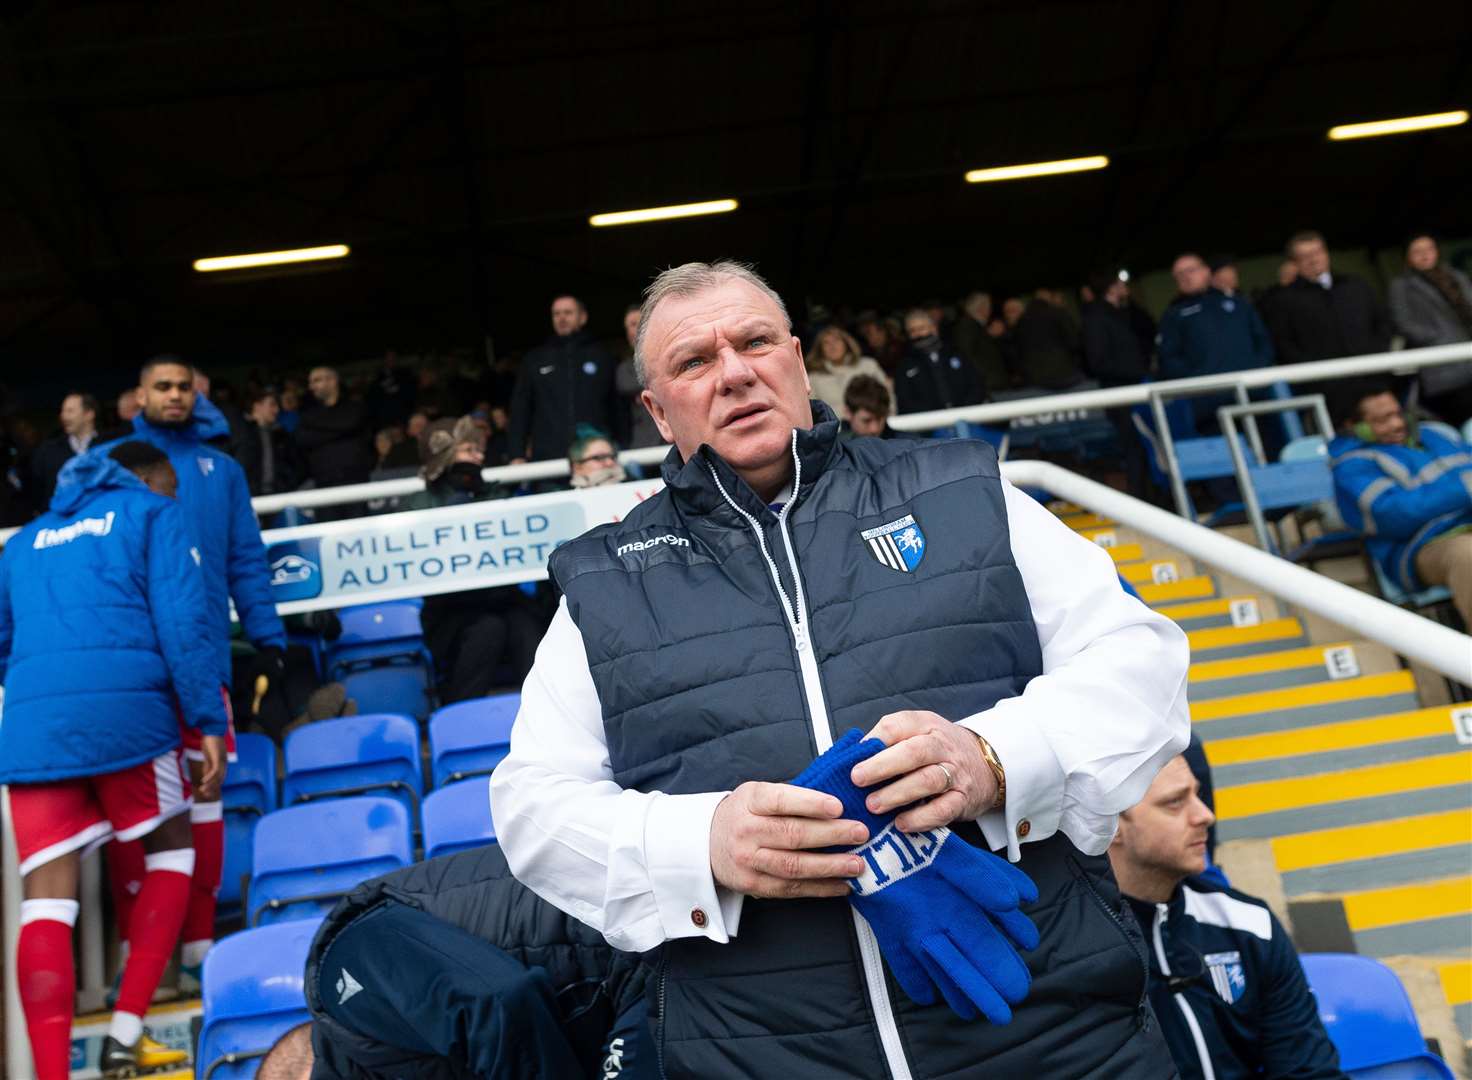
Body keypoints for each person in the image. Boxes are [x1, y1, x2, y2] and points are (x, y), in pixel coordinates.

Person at [492, 260, 1191, 1076]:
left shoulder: (965, 490)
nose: (735, 372)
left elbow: (1139, 659)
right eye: (694, 361)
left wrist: (997, 758)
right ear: (656, 409)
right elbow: (532, 806)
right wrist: (700, 843)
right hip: (761, 1056)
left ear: (795, 357)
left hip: (1058, 1037)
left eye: (754, 342)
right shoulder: (603, 583)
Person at [0, 442, 228, 1079]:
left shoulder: (22, 541)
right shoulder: (151, 514)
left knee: (43, 903)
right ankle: (123, 1037)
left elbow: (2, 645)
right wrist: (207, 719)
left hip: (31, 729)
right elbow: (183, 625)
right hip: (129, 722)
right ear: (145, 481)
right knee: (173, 847)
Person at [96, 356, 286, 991]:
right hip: (128, 671)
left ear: (195, 395)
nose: (174, 396)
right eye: (163, 387)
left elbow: (244, 557)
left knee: (206, 803)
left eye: (184, 387)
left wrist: (266, 635)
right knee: (136, 817)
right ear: (138, 396)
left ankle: (201, 948)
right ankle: (138, 957)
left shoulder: (222, 469)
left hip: (203, 665)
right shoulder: (107, 466)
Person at [271, 846, 655, 1080]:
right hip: (624, 976)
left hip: (633, 950)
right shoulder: (388, 1060)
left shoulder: (341, 972)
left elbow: (497, 1003)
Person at [1109, 755, 1348, 1079]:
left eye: (1198, 794)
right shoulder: (1076, 951)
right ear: (1111, 826)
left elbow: (1309, 1072)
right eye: (1175, 803)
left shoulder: (1250, 924)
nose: (1205, 815)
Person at [405, 417, 544, 702]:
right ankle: (462, 717)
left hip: (503, 599)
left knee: (526, 626)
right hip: (451, 611)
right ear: (444, 454)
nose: (479, 456)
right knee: (487, 630)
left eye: (480, 449)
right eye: (469, 449)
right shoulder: (419, 503)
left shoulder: (493, 492)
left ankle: (546, 713)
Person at [1329, 383, 1472, 625]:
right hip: (1423, 547)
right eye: (1382, 420)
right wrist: (1464, 489)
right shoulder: (1350, 467)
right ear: (1352, 426)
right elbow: (1395, 516)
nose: (1397, 424)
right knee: (1467, 555)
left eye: (1397, 414)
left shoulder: (1437, 434)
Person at [508, 294, 620, 462]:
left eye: (568, 313)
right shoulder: (535, 359)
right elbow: (520, 409)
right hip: (548, 457)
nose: (561, 318)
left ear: (582, 317)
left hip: (596, 455)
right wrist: (516, 453)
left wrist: (623, 444)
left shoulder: (602, 357)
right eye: (556, 314)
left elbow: (617, 407)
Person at [1267, 230, 1392, 366]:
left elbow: (1382, 323)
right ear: (1294, 263)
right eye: (1305, 256)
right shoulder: (1284, 300)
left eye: (1317, 252)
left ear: (1326, 253)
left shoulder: (1356, 285)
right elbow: (1284, 345)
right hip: (1323, 380)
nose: (1314, 260)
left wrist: (1378, 354)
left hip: (1373, 375)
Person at [1388, 233, 1472, 423]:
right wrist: (1437, 338)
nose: (1425, 255)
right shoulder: (1401, 285)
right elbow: (1403, 323)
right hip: (1442, 371)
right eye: (1417, 252)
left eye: (1428, 249)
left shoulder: (1456, 277)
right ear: (1408, 257)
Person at [1083, 271, 1153, 498]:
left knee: (1145, 448)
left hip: (1135, 390)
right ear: (1111, 286)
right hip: (1119, 394)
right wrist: (1136, 371)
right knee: (1135, 450)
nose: (1126, 285)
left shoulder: (1124, 312)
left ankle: (1152, 499)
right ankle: (1140, 503)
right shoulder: (1097, 317)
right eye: (1120, 281)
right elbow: (1098, 361)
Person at [1157, 253, 1276, 383]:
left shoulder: (1237, 303)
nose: (1186, 277)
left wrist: (1258, 367)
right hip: (1209, 394)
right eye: (1179, 274)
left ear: (1206, 271)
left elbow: (1263, 340)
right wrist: (1197, 378)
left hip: (1254, 386)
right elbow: (1168, 357)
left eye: (1190, 270)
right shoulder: (1174, 315)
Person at [294, 366, 375, 516]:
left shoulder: (354, 407)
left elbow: (351, 423)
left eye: (316, 381)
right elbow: (302, 439)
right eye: (310, 382)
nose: (311, 387)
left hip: (355, 484)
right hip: (324, 486)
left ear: (332, 381)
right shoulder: (308, 413)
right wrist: (342, 431)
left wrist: (318, 429)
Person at [893, 307, 985, 414]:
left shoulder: (956, 353)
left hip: (968, 416)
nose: (918, 334)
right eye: (912, 331)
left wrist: (964, 410)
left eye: (921, 328)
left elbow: (976, 385)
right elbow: (905, 401)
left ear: (934, 328)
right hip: (930, 424)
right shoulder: (905, 365)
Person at [29, 392, 99, 507]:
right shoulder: (48, 451)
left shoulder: (108, 445)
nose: (63, 416)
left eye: (70, 411)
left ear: (89, 414)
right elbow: (36, 488)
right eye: (63, 411)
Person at [804, 325, 889, 416]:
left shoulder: (868, 366)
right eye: (826, 343)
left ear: (846, 343)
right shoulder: (814, 378)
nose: (832, 346)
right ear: (821, 349)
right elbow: (811, 411)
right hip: (836, 428)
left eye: (836, 340)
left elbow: (887, 395)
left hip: (872, 425)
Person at [1013, 288, 1084, 390]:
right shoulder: (1058, 313)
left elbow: (1017, 350)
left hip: (1034, 379)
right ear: (1048, 296)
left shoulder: (1022, 321)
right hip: (1065, 376)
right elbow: (1074, 343)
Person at [236, 389, 303, 496]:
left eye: (277, 406)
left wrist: (286, 486)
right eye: (272, 405)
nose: (276, 410)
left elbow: (296, 466)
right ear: (257, 406)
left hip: (280, 497)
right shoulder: (240, 432)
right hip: (249, 499)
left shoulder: (282, 435)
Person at [616, 304, 665, 449]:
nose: (633, 331)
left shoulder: (671, 357)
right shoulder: (625, 367)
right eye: (629, 326)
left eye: (636, 323)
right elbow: (624, 385)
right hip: (643, 443)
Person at [953, 291, 1010, 395]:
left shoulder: (977, 327)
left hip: (992, 385)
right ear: (981, 308)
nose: (990, 310)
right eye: (988, 306)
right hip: (987, 387)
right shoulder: (967, 325)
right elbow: (966, 355)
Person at [842, 373, 900, 439]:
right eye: (867, 421)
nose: (874, 429)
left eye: (879, 419)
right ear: (848, 413)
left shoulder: (907, 446)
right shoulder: (832, 448)